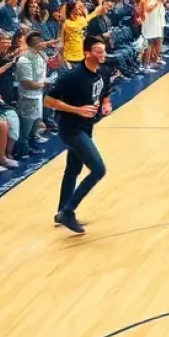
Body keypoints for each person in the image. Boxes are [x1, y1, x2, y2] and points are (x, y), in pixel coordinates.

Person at [45, 35, 112, 235]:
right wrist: (77, 109)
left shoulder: (103, 72)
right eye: (98, 52)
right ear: (87, 53)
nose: (103, 55)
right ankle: (68, 211)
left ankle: (60, 212)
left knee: (73, 169)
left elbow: (104, 92)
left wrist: (106, 103)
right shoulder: (72, 77)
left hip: (86, 127)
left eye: (103, 51)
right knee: (98, 169)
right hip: (70, 128)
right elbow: (48, 101)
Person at [16, 32, 50, 155]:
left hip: (38, 94)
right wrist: (45, 84)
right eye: (40, 41)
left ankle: (32, 143)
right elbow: (26, 83)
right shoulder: (24, 60)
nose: (43, 42)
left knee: (36, 121)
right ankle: (22, 150)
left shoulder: (40, 55)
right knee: (26, 125)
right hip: (28, 96)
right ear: (34, 44)